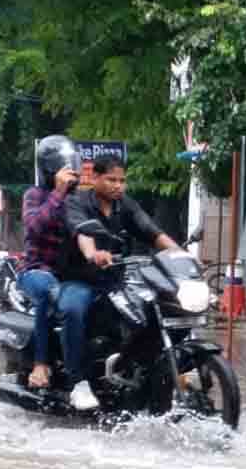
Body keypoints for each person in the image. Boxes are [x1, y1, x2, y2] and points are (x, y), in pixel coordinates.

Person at [58, 155, 180, 410]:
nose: (118, 186)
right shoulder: (76, 202)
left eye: (122, 181)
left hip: (116, 280)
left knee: (153, 309)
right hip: (80, 279)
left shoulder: (125, 205)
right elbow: (83, 232)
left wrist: (181, 255)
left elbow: (152, 232)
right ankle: (78, 383)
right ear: (95, 178)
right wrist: (93, 254)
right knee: (72, 309)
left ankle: (142, 373)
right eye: (111, 179)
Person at [19, 135, 80, 389]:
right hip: (36, 271)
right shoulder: (35, 195)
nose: (70, 173)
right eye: (63, 167)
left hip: (71, 274)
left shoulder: (79, 201)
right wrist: (58, 193)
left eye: (72, 166)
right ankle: (41, 363)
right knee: (49, 289)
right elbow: (34, 228)